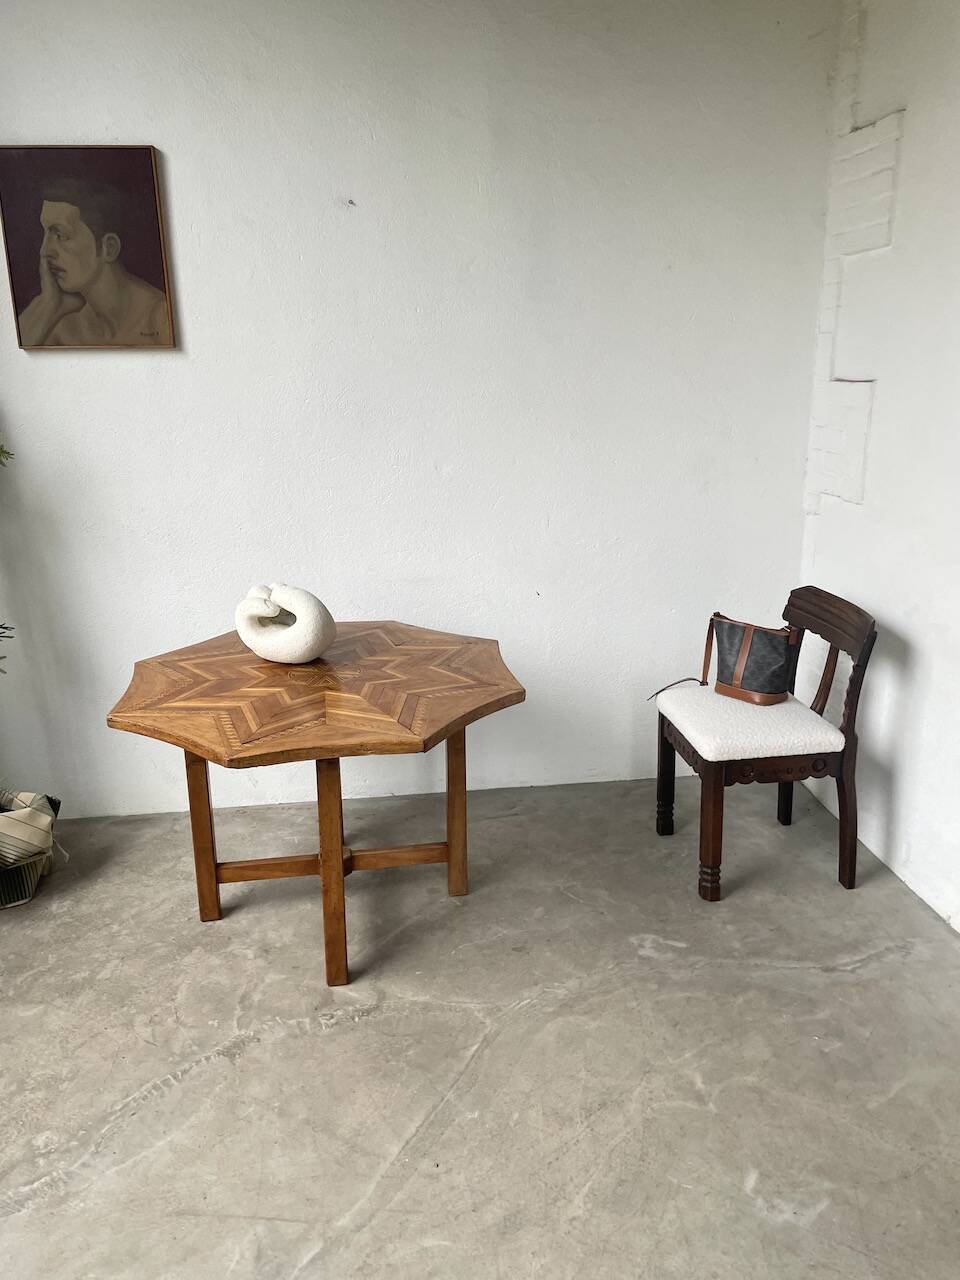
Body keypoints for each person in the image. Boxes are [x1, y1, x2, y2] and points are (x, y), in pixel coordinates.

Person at [17, 179, 171, 347]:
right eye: (45, 233)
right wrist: (47, 303)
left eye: (60, 235)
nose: (45, 251)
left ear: (109, 248)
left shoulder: (161, 319)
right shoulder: (62, 328)